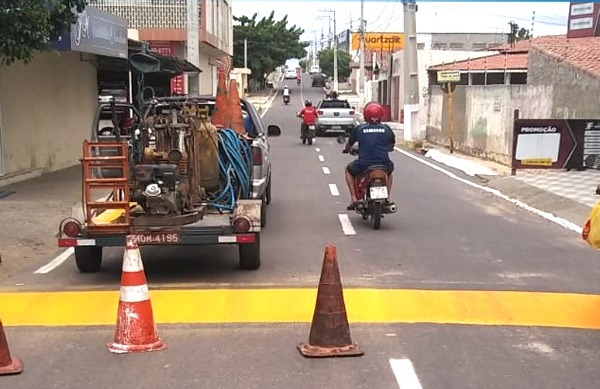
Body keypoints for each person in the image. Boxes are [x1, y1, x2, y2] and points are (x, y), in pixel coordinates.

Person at [343, 102, 395, 210]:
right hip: (383, 163)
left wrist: (347, 150)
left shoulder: (360, 129)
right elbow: (391, 146)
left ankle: (354, 199)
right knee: (389, 173)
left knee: (348, 170)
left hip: (364, 164)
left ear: (366, 115)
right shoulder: (386, 129)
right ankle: (387, 197)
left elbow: (349, 144)